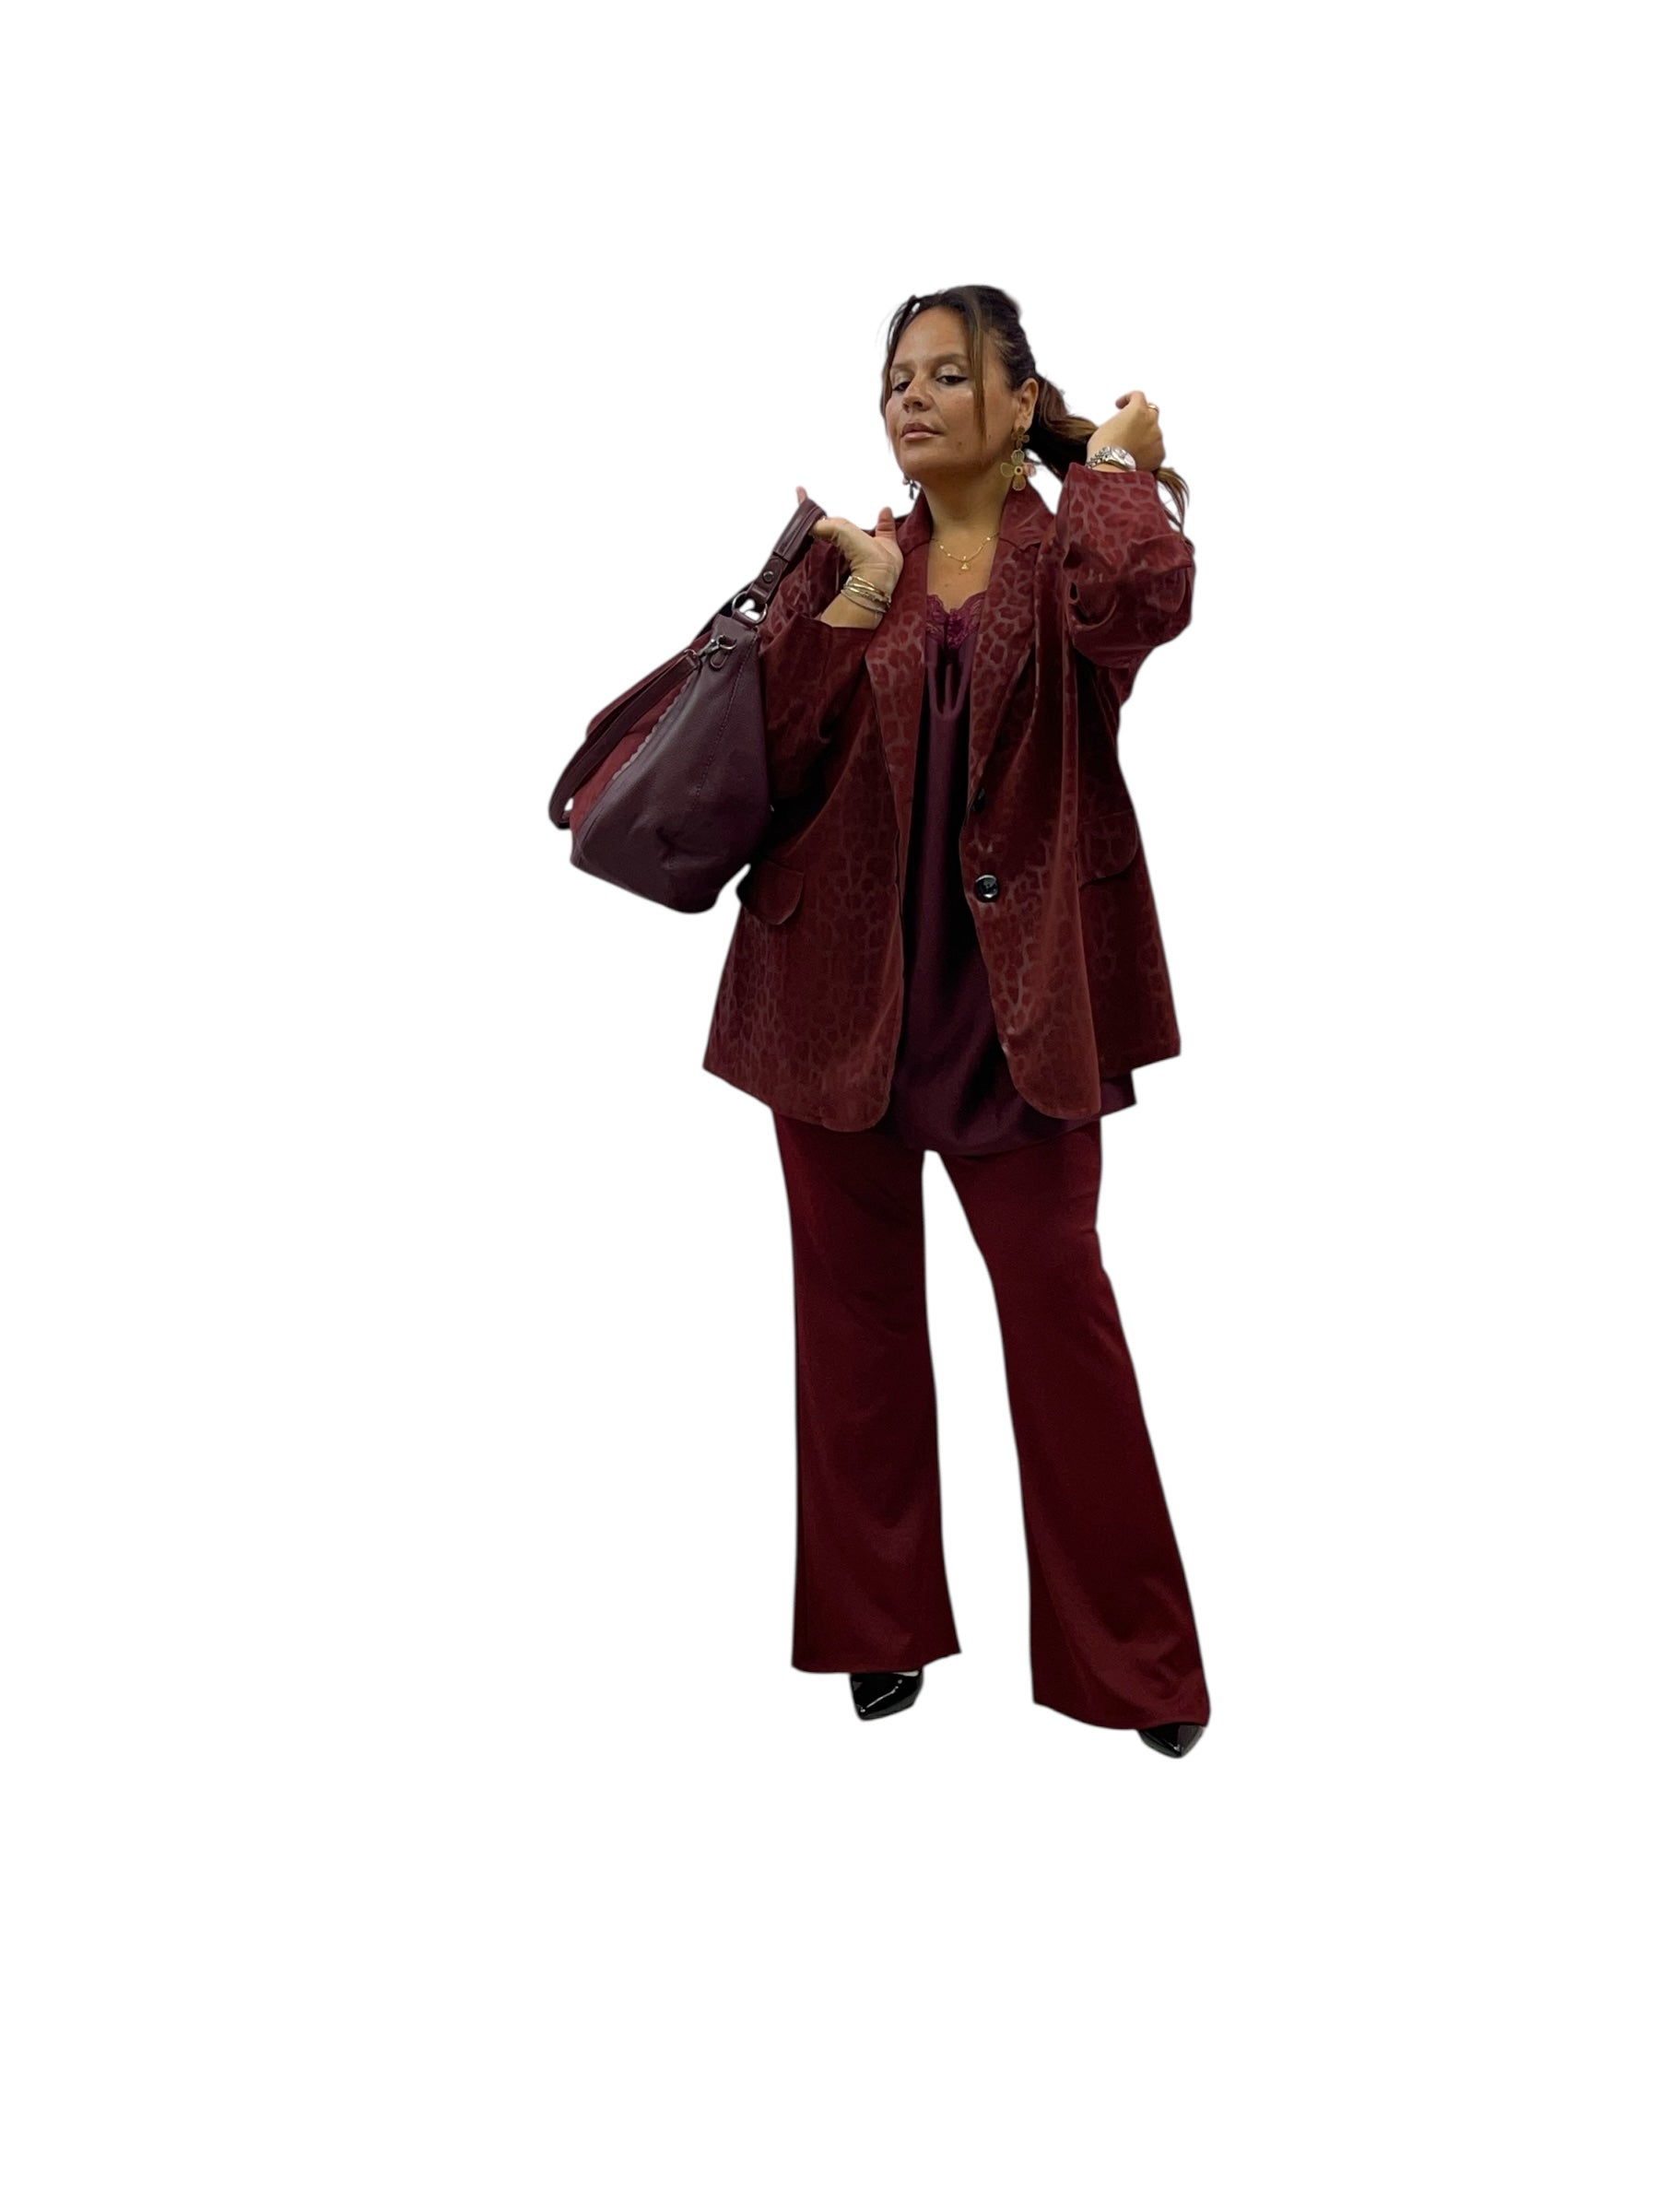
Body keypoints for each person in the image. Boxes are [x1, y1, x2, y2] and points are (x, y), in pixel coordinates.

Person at [702, 286, 1210, 1757]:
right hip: (832, 1008)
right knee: (851, 1329)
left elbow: (1151, 598)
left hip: (1020, 1018)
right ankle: (877, 1628)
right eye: (896, 379)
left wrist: (1105, 465)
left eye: (943, 376)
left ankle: (1134, 1665)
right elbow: (765, 757)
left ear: (1014, 400)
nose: (909, 401)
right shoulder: (860, 556)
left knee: (1062, 1326)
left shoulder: (1074, 560)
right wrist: (848, 605)